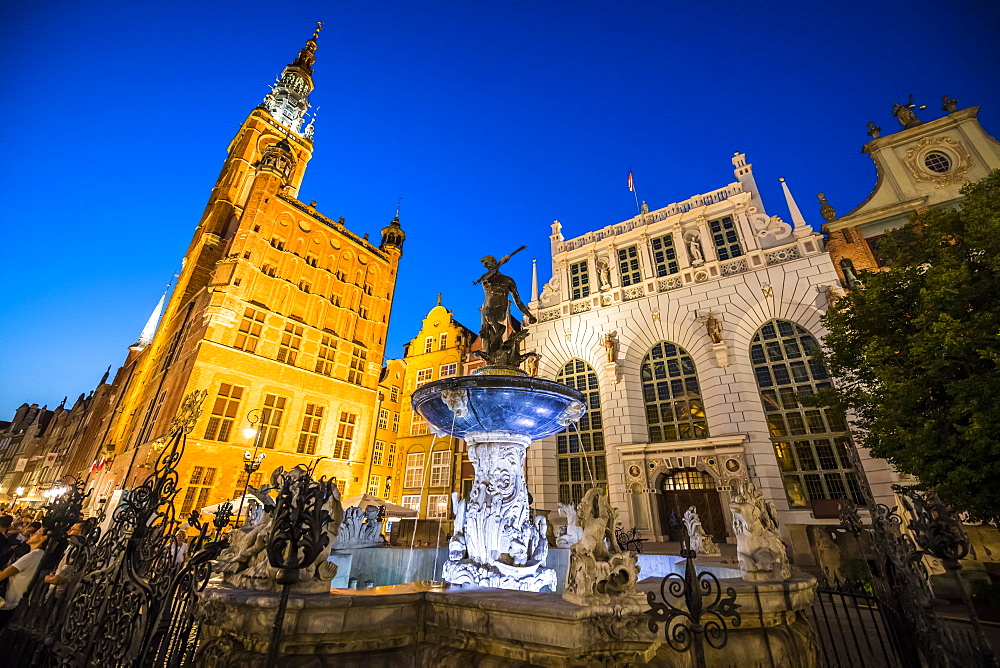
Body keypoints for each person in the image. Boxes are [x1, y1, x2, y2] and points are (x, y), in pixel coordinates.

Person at [0, 527, 48, 627]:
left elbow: (3, 575)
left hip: (9, 602)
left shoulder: (33, 555)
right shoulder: (40, 555)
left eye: (37, 533)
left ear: (43, 538)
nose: (31, 534)